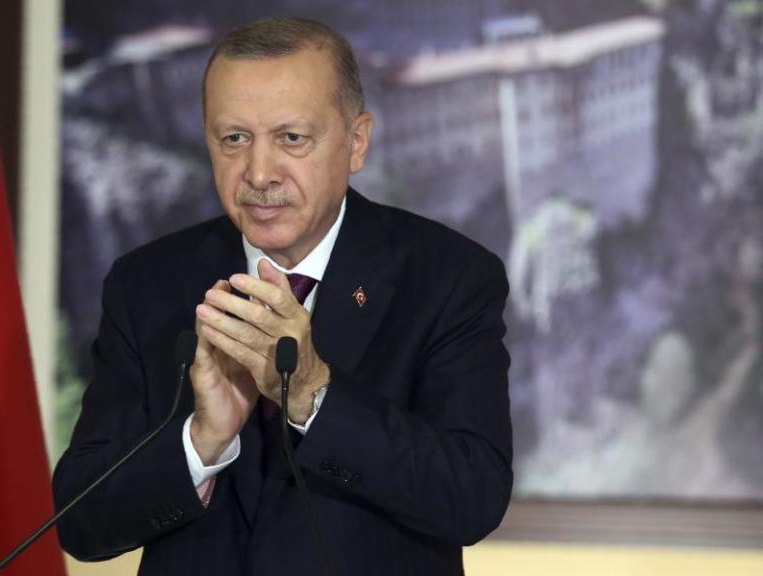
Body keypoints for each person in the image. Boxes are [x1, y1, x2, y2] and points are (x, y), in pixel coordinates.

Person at [53, 16, 512, 575]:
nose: (259, 172)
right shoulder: (148, 283)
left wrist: (314, 397)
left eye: (291, 138)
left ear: (356, 142)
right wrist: (200, 444)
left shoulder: (447, 277)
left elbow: (473, 498)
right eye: (234, 139)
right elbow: (81, 521)